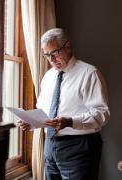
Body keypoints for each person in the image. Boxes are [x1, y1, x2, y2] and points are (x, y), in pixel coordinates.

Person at [18, 28, 110, 180]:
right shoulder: (48, 77)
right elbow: (44, 111)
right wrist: (32, 122)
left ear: (67, 46)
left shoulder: (90, 74)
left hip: (79, 147)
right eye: (47, 55)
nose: (52, 60)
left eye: (54, 53)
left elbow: (102, 114)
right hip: (50, 145)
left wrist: (70, 122)